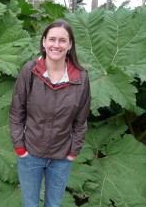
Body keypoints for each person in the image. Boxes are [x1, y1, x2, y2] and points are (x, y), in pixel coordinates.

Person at [9, 20, 91, 207]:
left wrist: (73, 152)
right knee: (30, 204)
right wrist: (20, 148)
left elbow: (81, 119)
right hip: (31, 154)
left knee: (53, 205)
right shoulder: (29, 71)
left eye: (62, 40)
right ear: (44, 42)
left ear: (70, 45)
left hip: (62, 157)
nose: (56, 45)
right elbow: (16, 112)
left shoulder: (81, 78)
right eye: (52, 39)